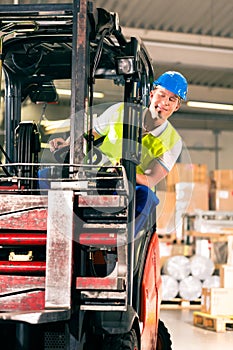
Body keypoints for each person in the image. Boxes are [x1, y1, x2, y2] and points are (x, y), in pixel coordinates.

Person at [43, 71, 188, 236]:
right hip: (93, 175)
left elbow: (151, 179)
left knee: (147, 198)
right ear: (152, 94)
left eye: (172, 99)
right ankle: (46, 228)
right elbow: (90, 134)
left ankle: (124, 243)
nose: (165, 103)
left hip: (128, 186)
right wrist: (68, 144)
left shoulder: (173, 141)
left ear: (177, 106)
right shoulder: (120, 111)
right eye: (161, 95)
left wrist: (124, 170)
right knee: (44, 176)